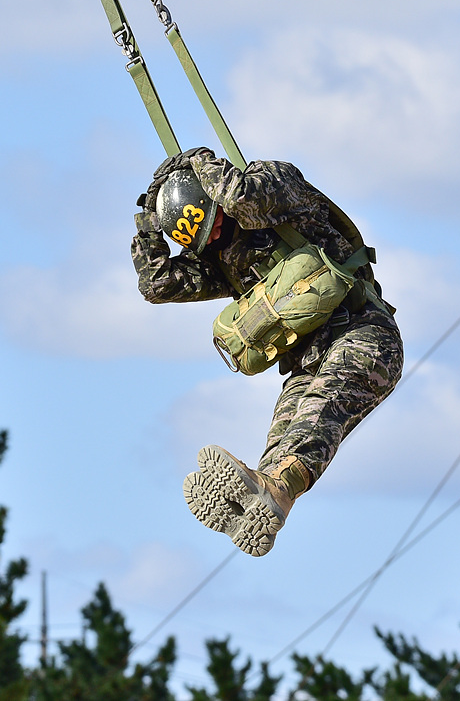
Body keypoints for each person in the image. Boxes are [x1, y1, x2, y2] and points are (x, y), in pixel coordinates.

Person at [131, 147, 404, 556]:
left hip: (364, 335)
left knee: (318, 410)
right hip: (308, 362)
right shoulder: (220, 256)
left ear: (213, 197)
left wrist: (199, 160)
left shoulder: (276, 190)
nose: (220, 233)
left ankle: (273, 489)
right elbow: (157, 284)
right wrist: (149, 224)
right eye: (211, 234)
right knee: (281, 448)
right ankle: (267, 501)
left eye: (218, 222)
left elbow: (242, 197)